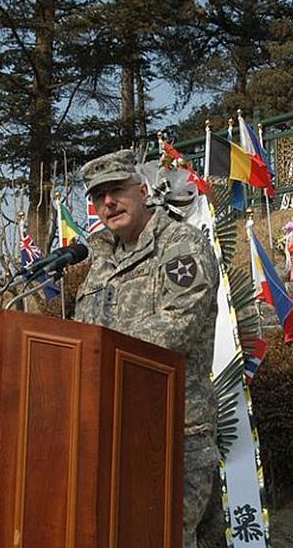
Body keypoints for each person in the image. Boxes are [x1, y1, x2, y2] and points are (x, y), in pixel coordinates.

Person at [74, 150, 220, 548]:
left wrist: (95, 356)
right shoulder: (99, 260)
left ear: (142, 191)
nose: (108, 202)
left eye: (117, 190)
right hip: (109, 430)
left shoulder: (180, 245)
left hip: (173, 432)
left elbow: (178, 325)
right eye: (98, 195)